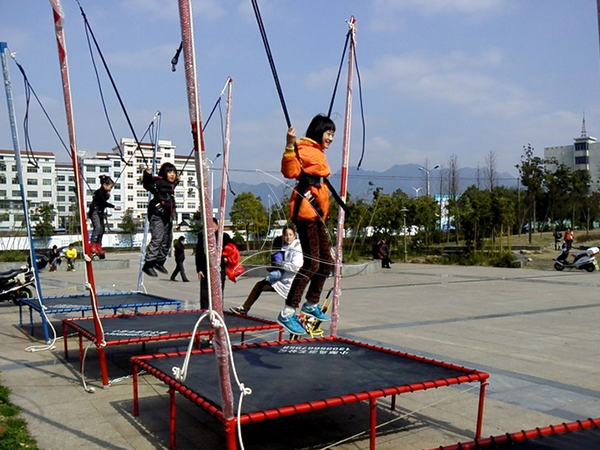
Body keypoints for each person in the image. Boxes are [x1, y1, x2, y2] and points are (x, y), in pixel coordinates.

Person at [277, 114, 335, 335]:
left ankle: (311, 303)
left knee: (326, 262)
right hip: (306, 212)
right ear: (319, 131)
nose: (331, 138)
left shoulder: (317, 151)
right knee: (311, 264)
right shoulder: (302, 147)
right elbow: (289, 171)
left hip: (317, 213)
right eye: (328, 133)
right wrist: (289, 145)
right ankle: (288, 312)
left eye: (332, 135)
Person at [230, 225, 302, 316]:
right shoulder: (286, 246)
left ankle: (297, 319)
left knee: (290, 306)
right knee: (259, 285)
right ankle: (245, 308)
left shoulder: (297, 247)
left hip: (291, 282)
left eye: (290, 235)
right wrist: (274, 265)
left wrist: (281, 264)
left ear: (294, 236)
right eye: (286, 235)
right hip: (282, 279)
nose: (288, 237)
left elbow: (296, 267)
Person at [195, 219, 244, 309]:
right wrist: (199, 269)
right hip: (206, 269)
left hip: (219, 268)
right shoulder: (202, 237)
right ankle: (204, 310)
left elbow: (233, 248)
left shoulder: (223, 236)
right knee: (205, 293)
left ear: (217, 226)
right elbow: (198, 254)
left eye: (213, 226)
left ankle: (218, 311)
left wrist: (227, 257)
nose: (211, 229)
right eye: (209, 227)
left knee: (218, 293)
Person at [142, 162, 179, 277]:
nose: (172, 175)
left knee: (167, 240)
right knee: (158, 238)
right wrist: (146, 174)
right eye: (169, 172)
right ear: (164, 173)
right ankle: (148, 264)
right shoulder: (158, 182)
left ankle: (159, 261)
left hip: (167, 215)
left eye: (174, 172)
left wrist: (177, 180)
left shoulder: (171, 184)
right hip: (157, 214)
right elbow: (147, 184)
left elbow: (173, 184)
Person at [88, 175, 115, 257]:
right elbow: (103, 203)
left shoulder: (104, 193)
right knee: (97, 228)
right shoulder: (99, 192)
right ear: (104, 185)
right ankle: (92, 245)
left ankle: (98, 245)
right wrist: (113, 206)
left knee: (102, 229)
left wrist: (107, 196)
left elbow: (103, 201)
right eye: (110, 187)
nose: (111, 189)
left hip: (100, 212)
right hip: (95, 211)